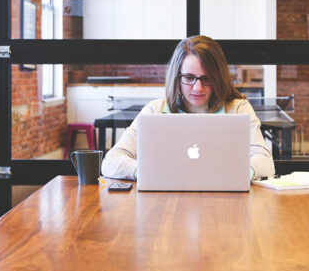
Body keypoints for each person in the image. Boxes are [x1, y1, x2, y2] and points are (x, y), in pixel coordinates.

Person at [101, 35, 275, 180]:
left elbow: (266, 163)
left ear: (218, 77)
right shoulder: (154, 111)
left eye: (206, 79)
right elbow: (111, 162)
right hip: (165, 203)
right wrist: (148, 172)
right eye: (189, 77)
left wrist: (237, 174)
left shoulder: (238, 109)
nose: (198, 88)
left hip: (226, 203)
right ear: (177, 77)